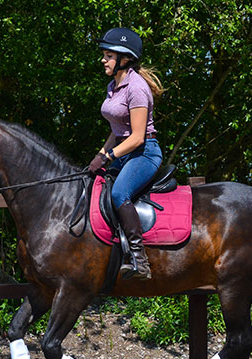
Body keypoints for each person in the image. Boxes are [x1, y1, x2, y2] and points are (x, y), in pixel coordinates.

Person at [88, 27, 164, 280]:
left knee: (120, 192)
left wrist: (108, 157)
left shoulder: (137, 88)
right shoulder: (113, 85)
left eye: (108, 55)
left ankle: (139, 259)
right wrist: (100, 153)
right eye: (105, 55)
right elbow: (117, 129)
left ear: (125, 58)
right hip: (122, 150)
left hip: (144, 153)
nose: (103, 60)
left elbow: (137, 137)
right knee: (94, 186)